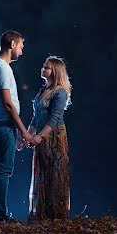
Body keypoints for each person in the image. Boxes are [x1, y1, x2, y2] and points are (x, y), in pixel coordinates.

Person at [0, 30, 36, 221]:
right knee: (3, 170)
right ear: (12, 44)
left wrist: (19, 132)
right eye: (21, 46)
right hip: (2, 124)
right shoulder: (1, 68)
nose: (22, 51)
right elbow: (7, 104)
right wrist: (24, 132)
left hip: (1, 123)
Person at [28, 56, 72, 220]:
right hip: (42, 134)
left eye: (47, 68)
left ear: (55, 72)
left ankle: (57, 216)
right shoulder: (42, 91)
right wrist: (27, 135)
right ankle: (42, 215)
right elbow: (36, 117)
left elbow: (54, 119)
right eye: (43, 66)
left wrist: (39, 137)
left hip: (54, 137)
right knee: (43, 174)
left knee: (55, 175)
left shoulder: (59, 92)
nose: (43, 69)